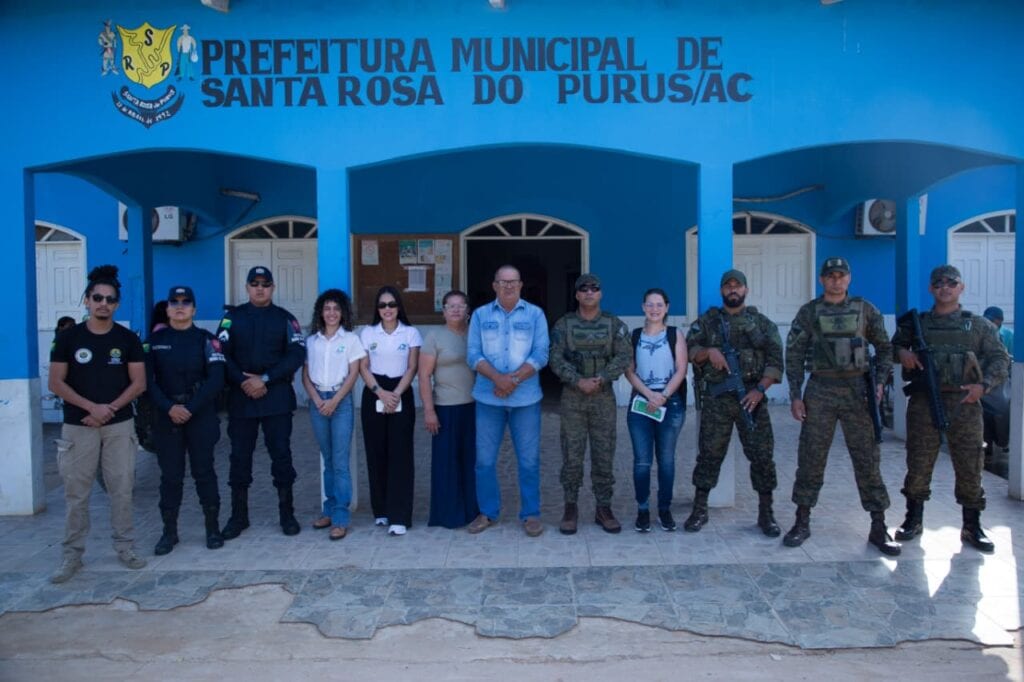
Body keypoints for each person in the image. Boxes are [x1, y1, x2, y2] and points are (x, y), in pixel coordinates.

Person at [783, 257, 901, 555]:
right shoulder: (809, 312)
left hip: (857, 391)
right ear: (822, 280)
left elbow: (885, 347)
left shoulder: (865, 310)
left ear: (848, 278)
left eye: (841, 275)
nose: (836, 281)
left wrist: (880, 381)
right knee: (811, 456)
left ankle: (878, 525)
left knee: (867, 458)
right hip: (821, 390)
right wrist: (796, 395)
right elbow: (794, 354)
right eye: (830, 276)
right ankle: (802, 521)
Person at [892, 265, 1010, 552]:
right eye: (939, 283)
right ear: (931, 288)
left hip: (964, 403)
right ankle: (913, 519)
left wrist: (983, 387)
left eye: (951, 283)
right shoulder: (917, 324)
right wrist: (903, 353)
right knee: (919, 462)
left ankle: (972, 525)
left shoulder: (978, 325)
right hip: (924, 402)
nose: (945, 287)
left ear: (961, 288)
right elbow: (891, 347)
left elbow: (1000, 359)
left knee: (970, 464)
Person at [48, 265, 147, 583]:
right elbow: (55, 382)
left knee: (121, 490)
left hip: (118, 426)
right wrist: (92, 407)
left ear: (117, 304)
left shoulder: (127, 338)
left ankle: (126, 547)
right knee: (76, 494)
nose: (103, 303)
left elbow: (139, 383)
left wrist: (110, 409)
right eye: (97, 297)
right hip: (78, 426)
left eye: (110, 299)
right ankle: (71, 555)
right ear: (87, 301)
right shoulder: (68, 338)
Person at [684, 270, 783, 536]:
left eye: (737, 285)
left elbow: (776, 360)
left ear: (745, 290)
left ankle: (766, 513)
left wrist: (760, 389)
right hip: (718, 398)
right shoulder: (707, 322)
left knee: (762, 455)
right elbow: (689, 349)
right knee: (709, 454)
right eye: (727, 286)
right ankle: (700, 509)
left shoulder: (761, 324)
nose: (732, 290)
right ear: (721, 291)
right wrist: (708, 352)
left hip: (752, 398)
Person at [216, 266, 306, 539]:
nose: (259, 288)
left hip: (276, 399)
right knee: (239, 459)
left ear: (273, 288)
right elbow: (220, 354)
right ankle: (238, 516)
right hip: (242, 399)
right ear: (246, 288)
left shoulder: (284, 319)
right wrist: (244, 381)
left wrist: (265, 379)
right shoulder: (232, 319)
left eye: (265, 284)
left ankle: (287, 514)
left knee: (281, 457)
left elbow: (297, 353)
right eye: (254, 284)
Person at [466, 265, 550, 537]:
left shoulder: (536, 314)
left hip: (525, 399)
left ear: (521, 284)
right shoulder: (480, 315)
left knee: (528, 461)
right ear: (494, 286)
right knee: (484, 461)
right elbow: (473, 354)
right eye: (503, 282)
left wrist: (510, 381)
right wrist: (498, 380)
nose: (508, 286)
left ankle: (531, 514)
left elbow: (541, 354)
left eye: (513, 281)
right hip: (488, 399)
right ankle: (488, 512)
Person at [145, 286, 226, 554]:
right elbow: (148, 381)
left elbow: (216, 379)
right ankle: (169, 532)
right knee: (171, 476)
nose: (180, 306)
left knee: (204, 472)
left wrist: (189, 408)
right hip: (166, 417)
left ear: (194, 309)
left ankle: (212, 528)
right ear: (167, 308)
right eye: (174, 302)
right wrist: (170, 407)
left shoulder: (206, 339)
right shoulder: (154, 342)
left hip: (199, 414)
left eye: (186, 302)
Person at [549, 274, 631, 534]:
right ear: (576, 295)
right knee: (572, 456)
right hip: (573, 398)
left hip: (603, 397)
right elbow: (554, 357)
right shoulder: (564, 325)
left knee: (603, 455)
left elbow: (624, 355)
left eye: (594, 289)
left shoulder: (613, 324)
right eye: (583, 289)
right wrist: (577, 380)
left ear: (600, 293)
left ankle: (603, 508)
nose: (589, 293)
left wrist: (602, 378)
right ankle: (570, 507)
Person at [302, 289, 365, 541]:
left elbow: (353, 374)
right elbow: (305, 375)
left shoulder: (350, 340)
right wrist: (318, 400)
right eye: (327, 309)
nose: (331, 313)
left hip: (341, 402)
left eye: (336, 309)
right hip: (318, 401)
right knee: (327, 459)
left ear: (343, 313)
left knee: (340, 462)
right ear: (320, 312)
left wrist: (335, 401)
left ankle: (341, 517)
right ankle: (328, 510)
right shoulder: (311, 341)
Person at [624, 287, 688, 533]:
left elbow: (681, 369)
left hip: (669, 403)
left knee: (666, 461)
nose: (654, 309)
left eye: (659, 304)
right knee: (642, 461)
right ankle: (642, 509)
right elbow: (628, 369)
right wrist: (648, 394)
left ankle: (664, 509)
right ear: (643, 307)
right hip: (641, 402)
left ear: (667, 307)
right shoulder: (634, 335)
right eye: (649, 304)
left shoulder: (675, 334)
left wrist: (663, 395)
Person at [359, 286, 421, 536]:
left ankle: (400, 515)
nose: (387, 309)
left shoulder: (411, 333)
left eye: (392, 304)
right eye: (383, 305)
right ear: (377, 308)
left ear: (399, 307)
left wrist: (395, 394)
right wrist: (380, 392)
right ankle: (382, 510)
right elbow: (363, 366)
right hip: (374, 392)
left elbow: (412, 367)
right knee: (376, 453)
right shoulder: (367, 333)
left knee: (401, 455)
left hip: (400, 391)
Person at [418, 290, 480, 528]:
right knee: (447, 464)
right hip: (445, 408)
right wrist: (429, 410)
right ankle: (448, 514)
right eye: (450, 306)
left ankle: (472, 512)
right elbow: (424, 376)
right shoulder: (434, 336)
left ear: (468, 311)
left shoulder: (476, 335)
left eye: (460, 305)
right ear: (443, 311)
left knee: (471, 461)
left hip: (474, 407)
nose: (455, 310)